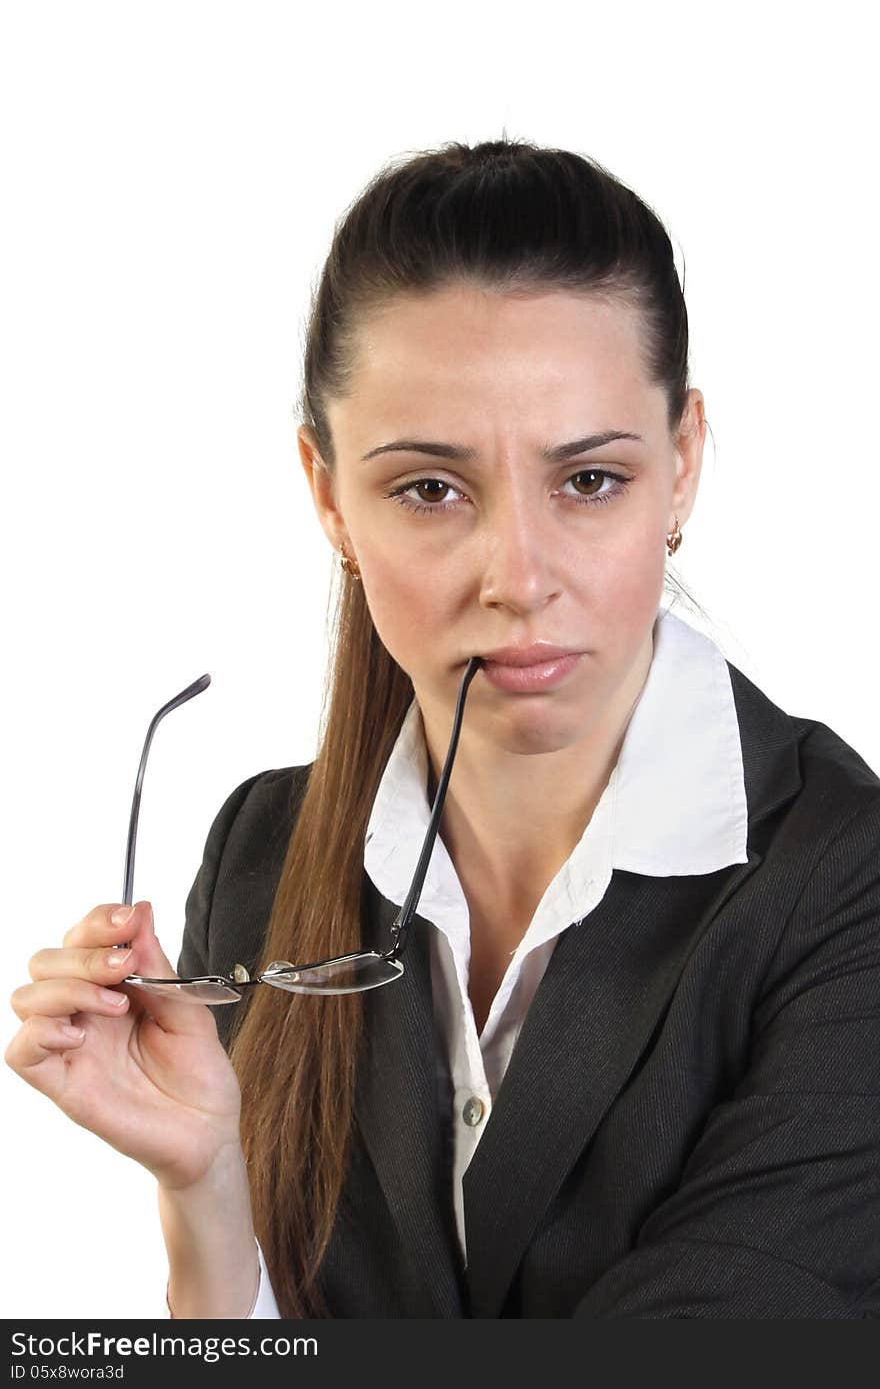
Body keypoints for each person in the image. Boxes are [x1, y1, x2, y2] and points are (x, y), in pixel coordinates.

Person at [6, 137, 880, 1321]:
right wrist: (207, 1195)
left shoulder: (847, 886)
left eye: (589, 481)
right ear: (328, 495)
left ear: (680, 468)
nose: (517, 578)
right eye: (429, 489)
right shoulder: (263, 852)